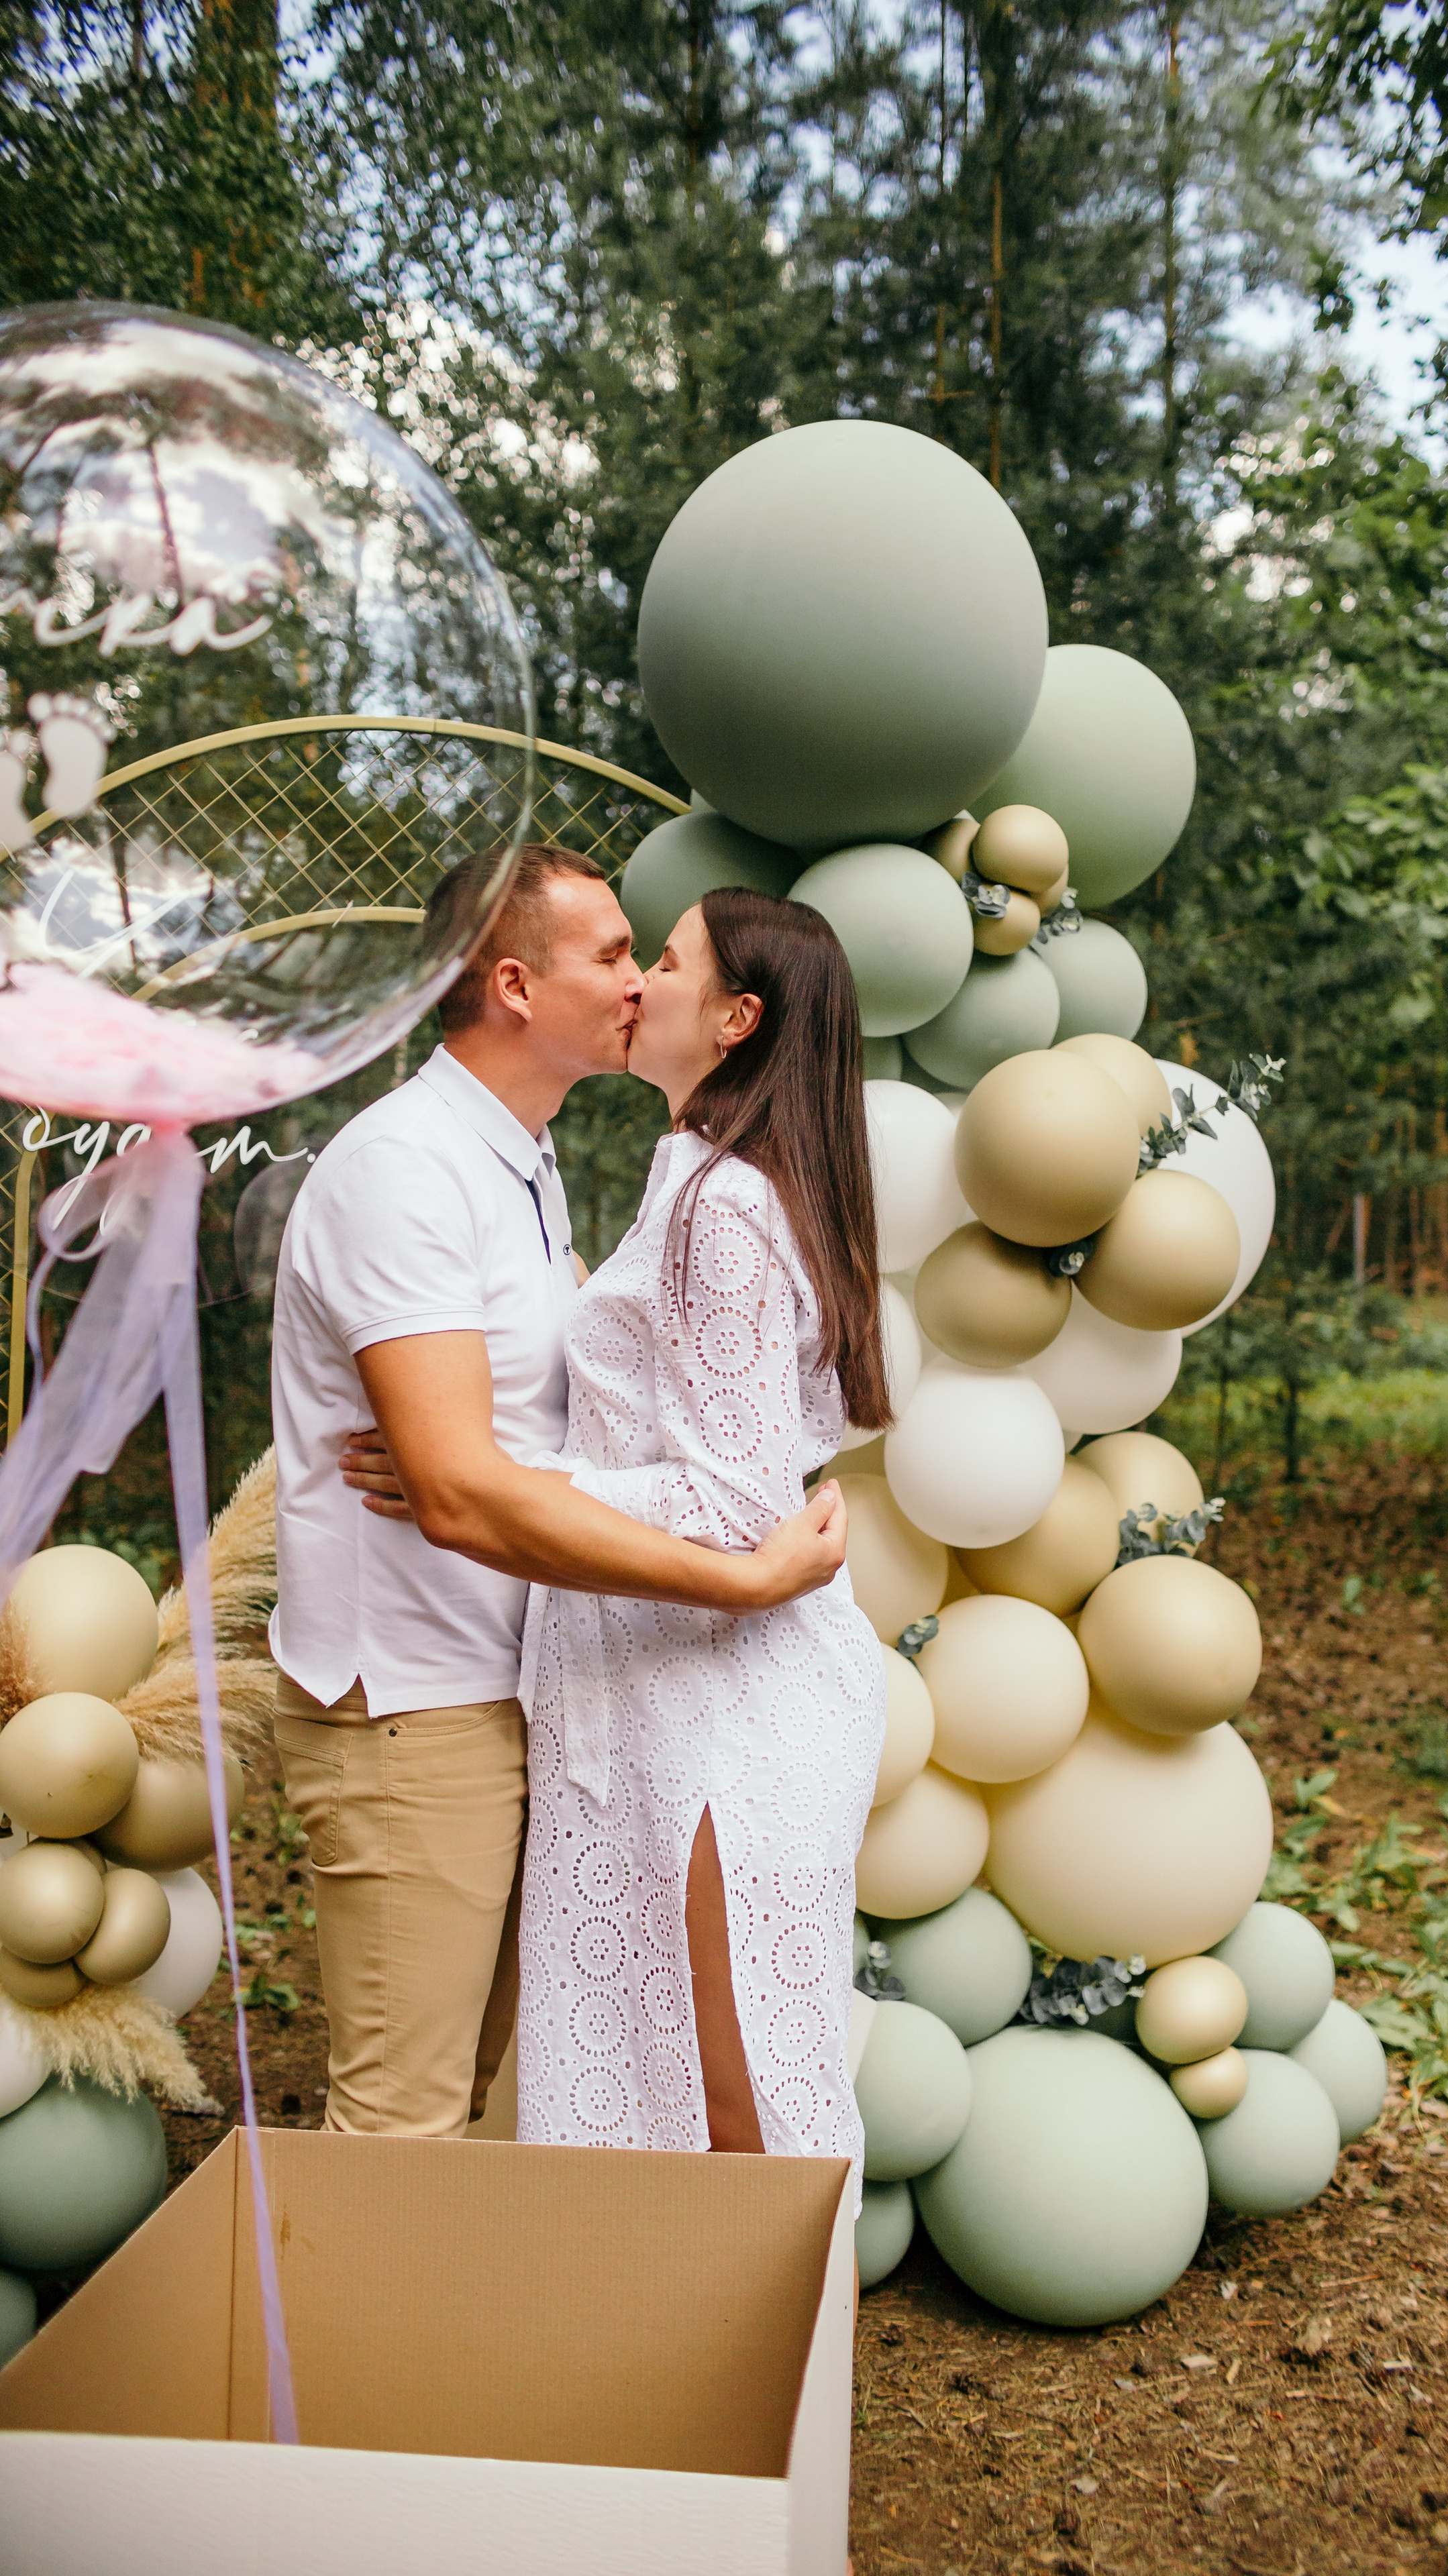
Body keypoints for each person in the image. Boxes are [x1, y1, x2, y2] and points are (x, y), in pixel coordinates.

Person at [270, 845, 847, 2141]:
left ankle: (455, 2346)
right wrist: (745, 1579)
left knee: (483, 2108)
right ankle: (339, 2353)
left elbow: (538, 1440)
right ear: (516, 985)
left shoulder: (526, 1169)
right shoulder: (405, 1171)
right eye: (612, 954)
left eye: (654, 956)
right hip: (414, 1711)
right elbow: (461, 1495)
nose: (639, 981)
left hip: (522, 1689)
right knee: (403, 2123)